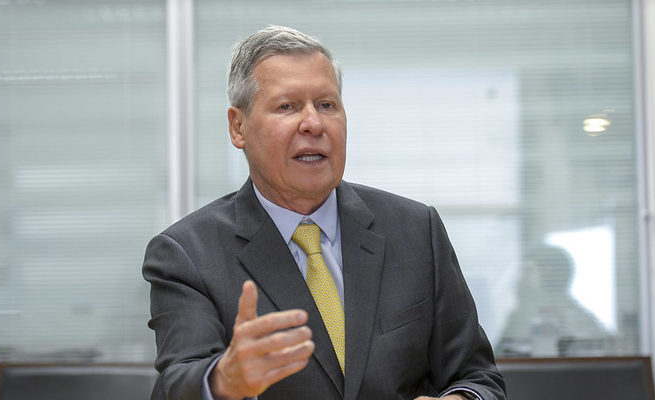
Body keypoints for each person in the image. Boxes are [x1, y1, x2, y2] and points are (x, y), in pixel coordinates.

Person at [142, 25, 506, 400]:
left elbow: (479, 378)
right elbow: (177, 384)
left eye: (326, 105)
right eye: (287, 106)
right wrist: (223, 380)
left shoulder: (415, 230)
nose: (313, 123)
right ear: (238, 127)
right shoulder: (187, 254)